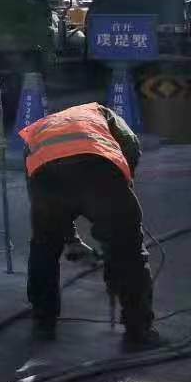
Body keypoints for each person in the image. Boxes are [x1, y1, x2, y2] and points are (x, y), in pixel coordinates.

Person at [19, 102, 161, 350]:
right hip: (98, 170)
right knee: (128, 250)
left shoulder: (39, 130)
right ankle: (138, 332)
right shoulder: (101, 112)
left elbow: (35, 185)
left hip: (47, 178)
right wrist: (122, 193)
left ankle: (43, 323)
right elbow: (131, 146)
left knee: (43, 248)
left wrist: (68, 236)